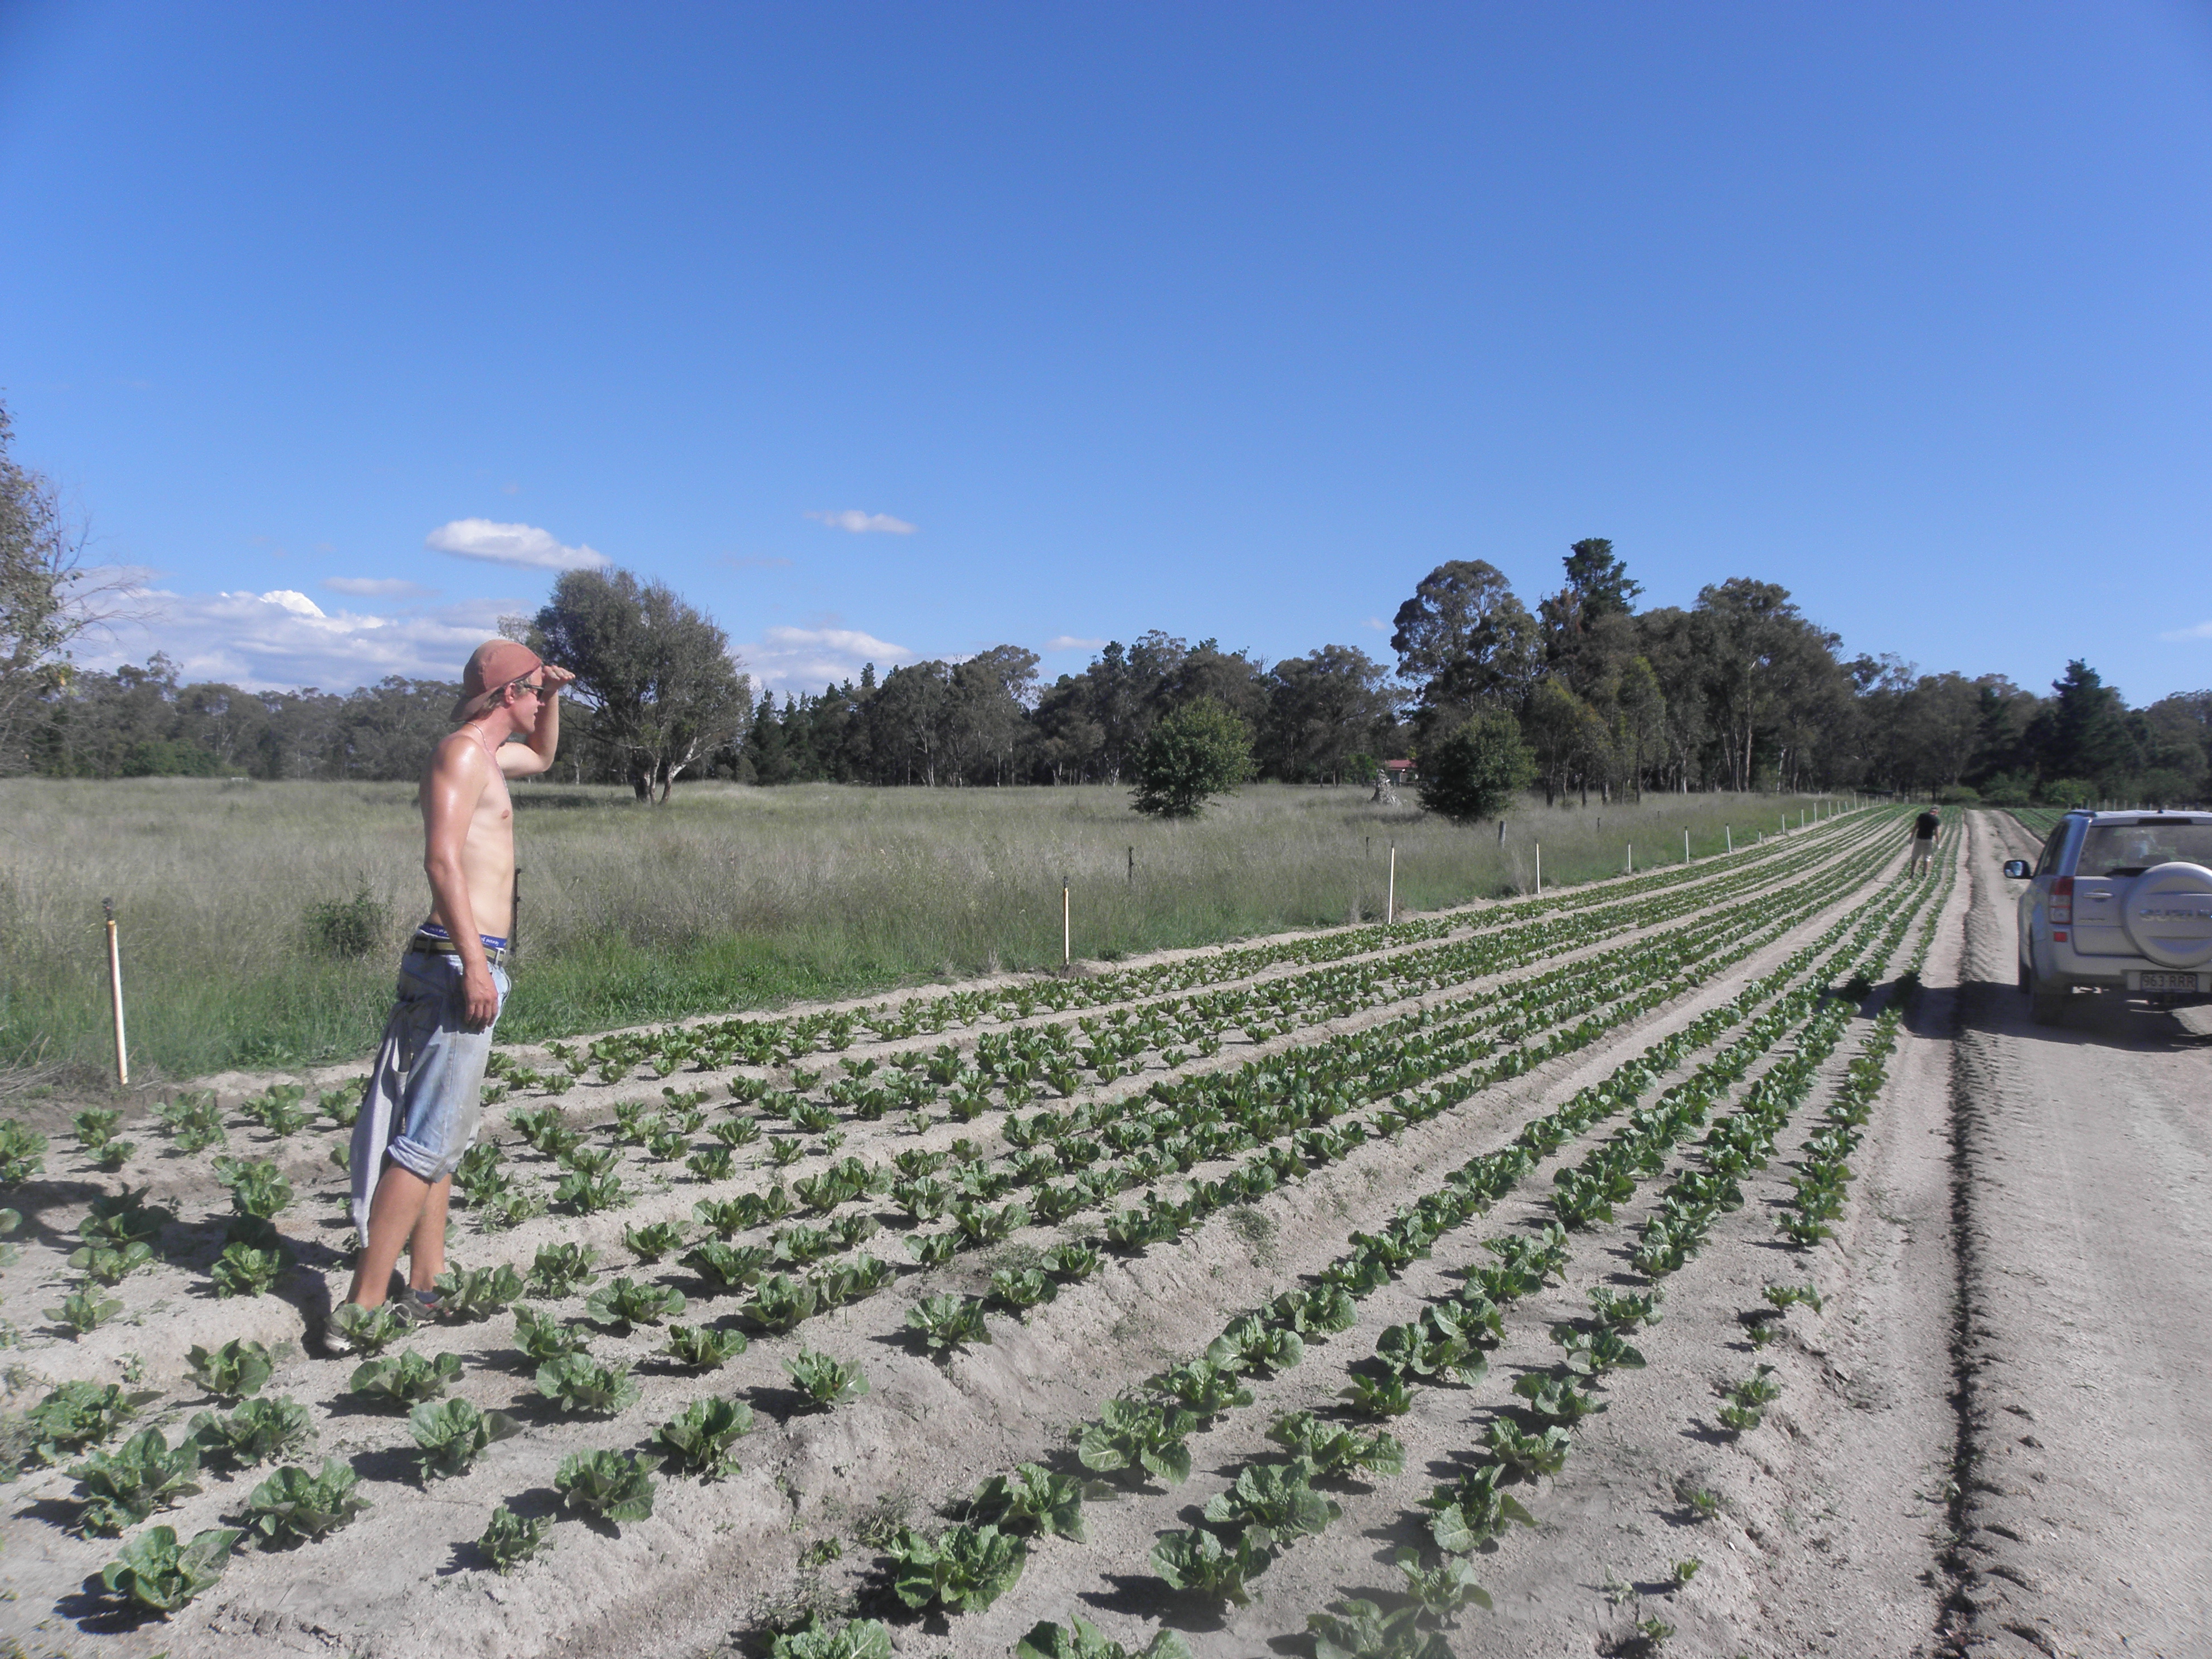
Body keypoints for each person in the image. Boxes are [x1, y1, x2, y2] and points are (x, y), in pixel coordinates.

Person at [330, 640, 573, 1347]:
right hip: (454, 962)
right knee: (428, 1138)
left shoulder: (492, 757)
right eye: (534, 690)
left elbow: (545, 758)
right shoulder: (463, 755)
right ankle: (360, 1307)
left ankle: (426, 1282)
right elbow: (440, 861)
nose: (540, 701)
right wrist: (473, 964)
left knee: (441, 1131)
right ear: (506, 694)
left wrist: (557, 695)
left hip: (465, 959)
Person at [1909, 806, 1941, 877]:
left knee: (1915, 856)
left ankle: (1912, 873)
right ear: (1936, 812)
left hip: (1919, 838)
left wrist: (1911, 837)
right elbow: (1937, 832)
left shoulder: (1922, 816)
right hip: (1928, 840)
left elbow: (1915, 827)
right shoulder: (1936, 819)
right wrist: (1938, 843)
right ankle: (1924, 874)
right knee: (1927, 857)